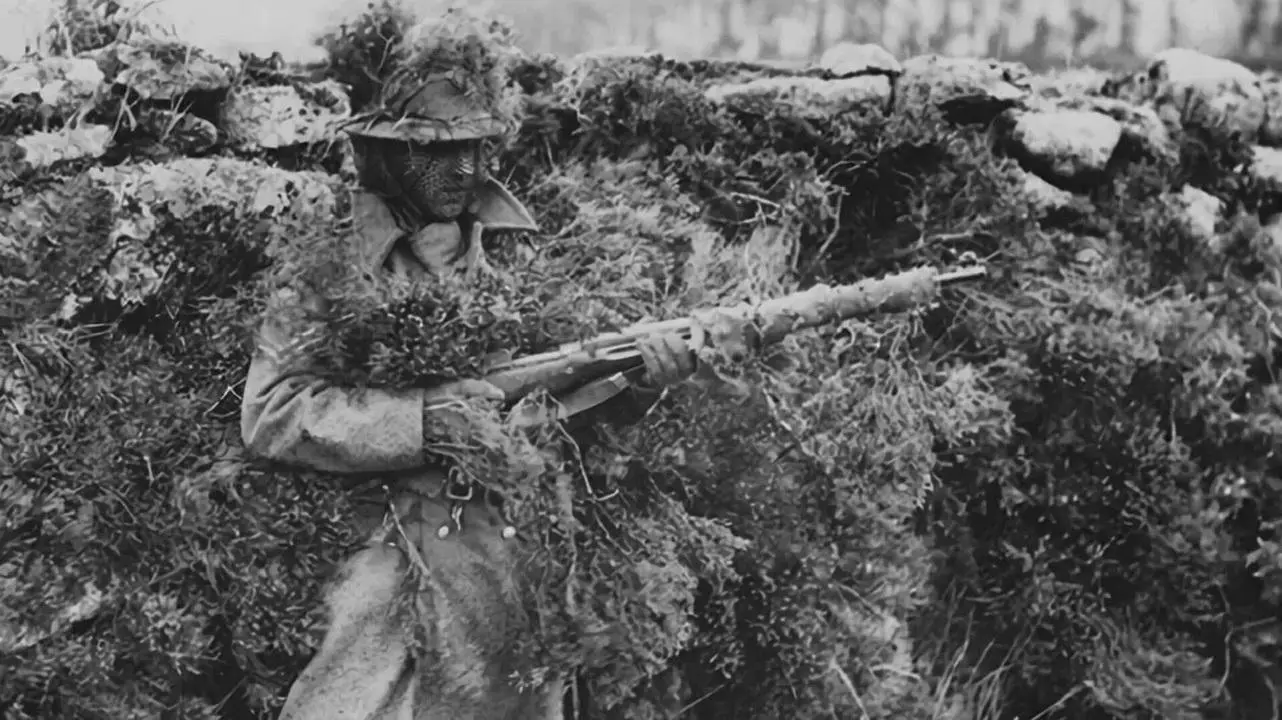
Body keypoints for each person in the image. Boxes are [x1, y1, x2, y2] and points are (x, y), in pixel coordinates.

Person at [239, 70, 699, 719]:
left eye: (476, 146)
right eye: (436, 148)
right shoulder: (331, 267)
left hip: (510, 555)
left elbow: (564, 419)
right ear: (388, 152)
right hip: (386, 548)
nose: (463, 168)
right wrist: (423, 421)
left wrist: (638, 383)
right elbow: (271, 412)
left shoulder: (521, 254)